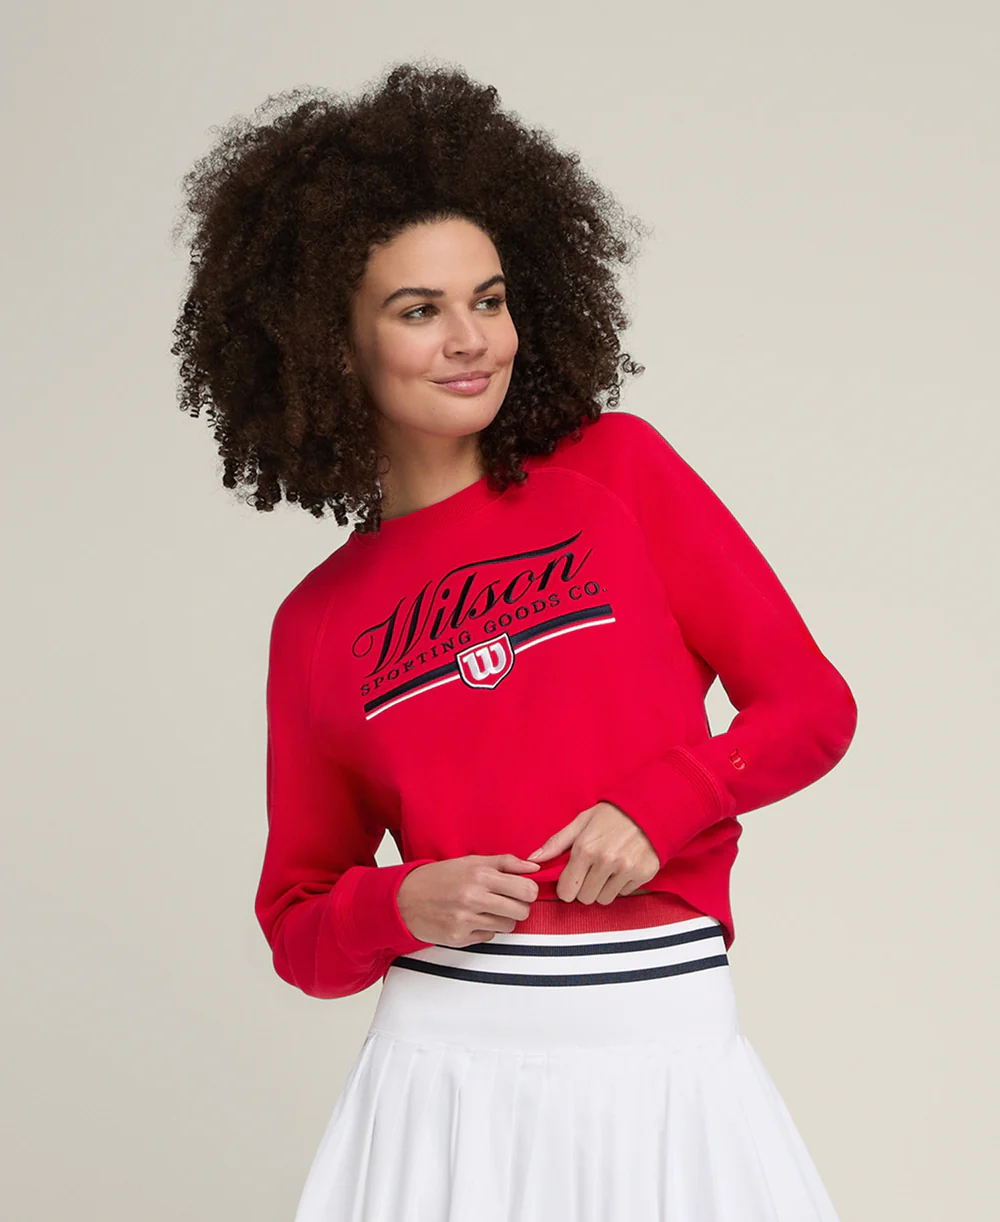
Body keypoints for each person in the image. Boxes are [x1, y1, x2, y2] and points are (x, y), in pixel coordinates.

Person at [171, 60, 857, 1221]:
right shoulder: (318, 622)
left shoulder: (618, 475)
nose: (469, 339)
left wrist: (666, 800)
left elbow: (811, 708)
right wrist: (401, 904)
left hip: (661, 1053)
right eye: (418, 310)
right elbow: (297, 923)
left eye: (487, 299)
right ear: (331, 345)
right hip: (440, 1087)